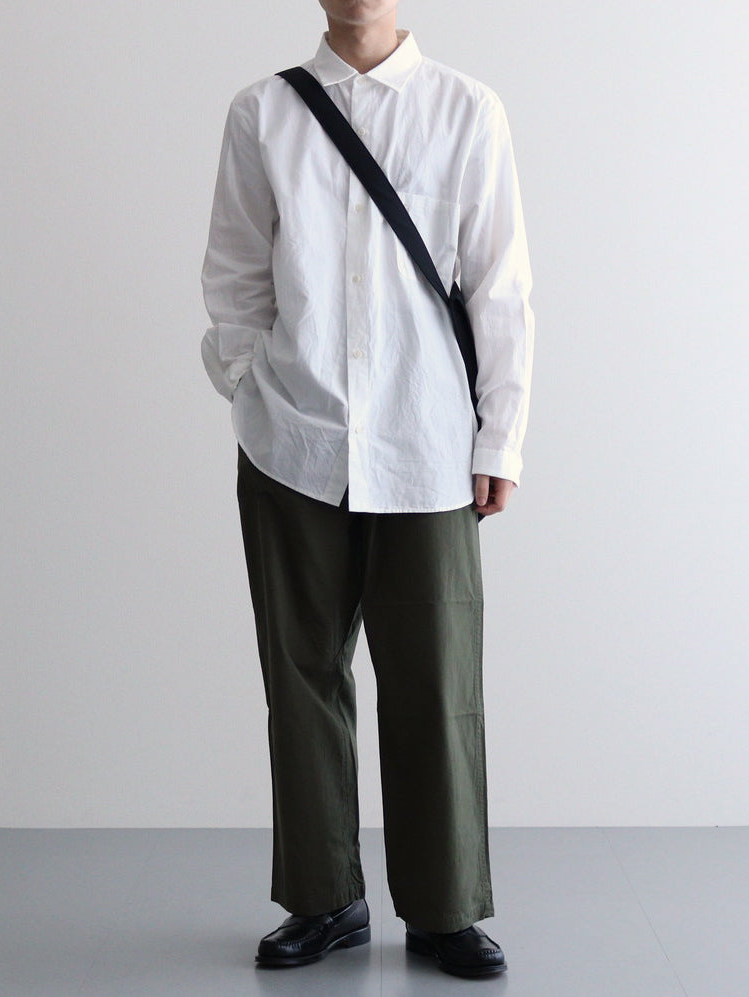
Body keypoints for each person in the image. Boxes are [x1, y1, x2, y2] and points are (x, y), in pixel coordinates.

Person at [200, 0, 534, 979]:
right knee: (300, 679)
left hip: (425, 444)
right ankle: (323, 899)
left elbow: (499, 286)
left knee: (435, 683)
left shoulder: (466, 109)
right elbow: (235, 276)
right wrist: (253, 388)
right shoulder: (261, 113)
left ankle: (442, 909)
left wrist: (500, 435)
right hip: (292, 444)